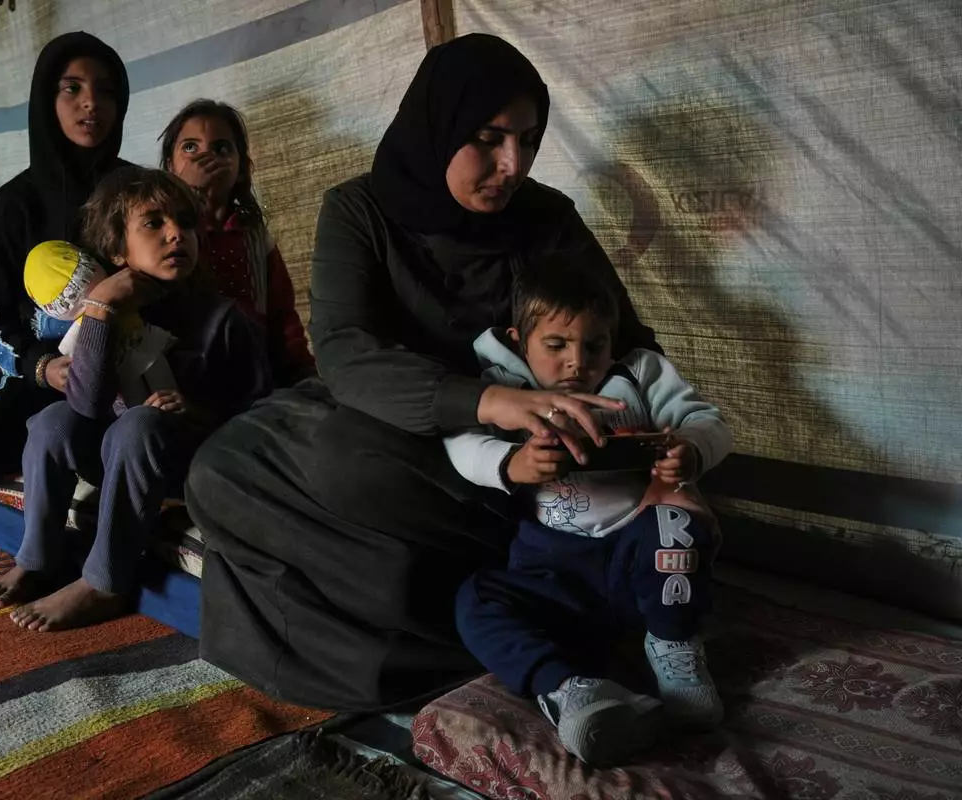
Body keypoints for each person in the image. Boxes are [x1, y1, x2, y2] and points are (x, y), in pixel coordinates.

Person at [185, 33, 660, 711]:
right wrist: (486, 400)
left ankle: (455, 636)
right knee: (218, 471)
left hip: (505, 450)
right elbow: (345, 351)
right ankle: (450, 631)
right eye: (489, 139)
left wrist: (614, 416)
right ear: (436, 127)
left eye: (528, 141)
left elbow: (631, 346)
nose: (512, 164)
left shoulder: (546, 219)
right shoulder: (358, 210)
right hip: (402, 406)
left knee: (348, 470)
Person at [447, 258, 730, 766]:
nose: (577, 363)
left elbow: (707, 420)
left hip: (638, 560)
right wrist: (511, 463)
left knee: (677, 523)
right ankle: (571, 690)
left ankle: (674, 648)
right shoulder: (504, 387)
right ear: (519, 341)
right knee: (475, 599)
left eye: (594, 345)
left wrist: (689, 448)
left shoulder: (640, 373)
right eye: (556, 346)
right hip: (552, 572)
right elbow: (460, 441)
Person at [0, 166, 271, 631]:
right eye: (154, 223)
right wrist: (101, 309)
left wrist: (196, 413)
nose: (175, 233)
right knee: (53, 421)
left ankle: (105, 582)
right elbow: (86, 408)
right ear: (117, 250)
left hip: (191, 461)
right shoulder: (105, 314)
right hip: (120, 460)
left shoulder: (224, 320)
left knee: (139, 423)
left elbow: (262, 415)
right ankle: (37, 558)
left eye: (185, 222)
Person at [0, 31, 132, 481]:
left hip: (130, 368)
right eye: (72, 88)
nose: (91, 103)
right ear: (46, 99)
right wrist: (41, 367)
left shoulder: (137, 190)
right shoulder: (13, 203)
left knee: (132, 443)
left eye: (106, 90)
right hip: (50, 372)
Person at [159, 99, 315, 387]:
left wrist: (302, 372)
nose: (205, 157)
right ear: (170, 167)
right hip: (193, 381)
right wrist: (188, 195)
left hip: (260, 377)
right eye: (190, 148)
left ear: (241, 168)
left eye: (221, 149)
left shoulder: (256, 239)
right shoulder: (168, 239)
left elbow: (282, 316)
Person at [24, 240, 179, 407]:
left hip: (144, 344)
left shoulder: (114, 294)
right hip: (123, 361)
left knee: (162, 385)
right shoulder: (88, 321)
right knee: (138, 399)